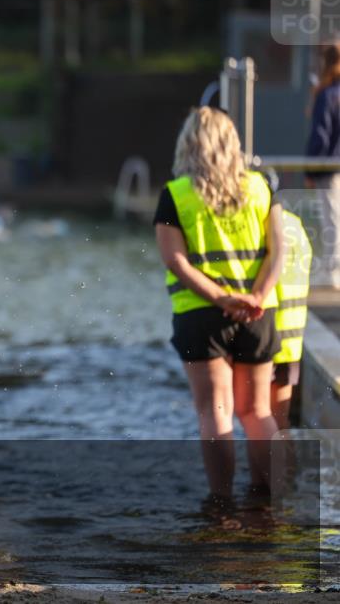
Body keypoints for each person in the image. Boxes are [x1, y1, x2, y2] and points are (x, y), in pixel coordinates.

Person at [154, 106, 283, 506]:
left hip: (202, 314)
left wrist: (223, 298)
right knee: (258, 411)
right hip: (258, 315)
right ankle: (270, 498)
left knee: (215, 412)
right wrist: (257, 297)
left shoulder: (177, 194)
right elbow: (280, 250)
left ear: (188, 145)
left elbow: (175, 260)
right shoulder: (260, 187)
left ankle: (221, 502)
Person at [271, 211, 312, 429]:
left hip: (265, 337)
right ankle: (287, 465)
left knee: (259, 419)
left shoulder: (262, 223)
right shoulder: (295, 223)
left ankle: (267, 464)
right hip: (291, 341)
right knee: (280, 423)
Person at [305, 41, 340, 289]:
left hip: (330, 168)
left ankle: (332, 272)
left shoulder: (327, 95)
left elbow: (320, 136)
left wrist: (310, 168)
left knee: (332, 218)